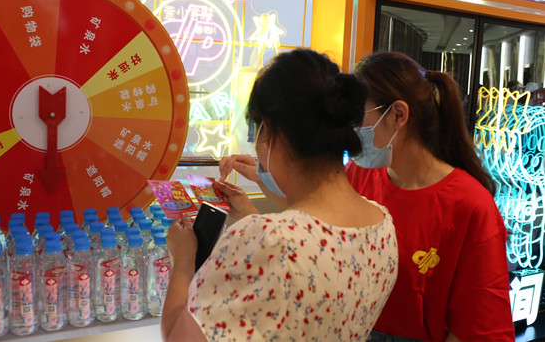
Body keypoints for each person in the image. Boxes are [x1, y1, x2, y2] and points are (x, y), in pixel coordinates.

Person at [219, 51, 514, 342]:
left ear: (398, 115)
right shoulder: (362, 174)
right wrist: (261, 180)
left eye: (356, 118)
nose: (350, 131)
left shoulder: (470, 205)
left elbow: (479, 325)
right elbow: (318, 222)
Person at [162, 49, 398, 341]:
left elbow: (178, 336)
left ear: (270, 131)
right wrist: (249, 215)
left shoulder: (267, 239)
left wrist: (183, 258)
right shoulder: (383, 225)